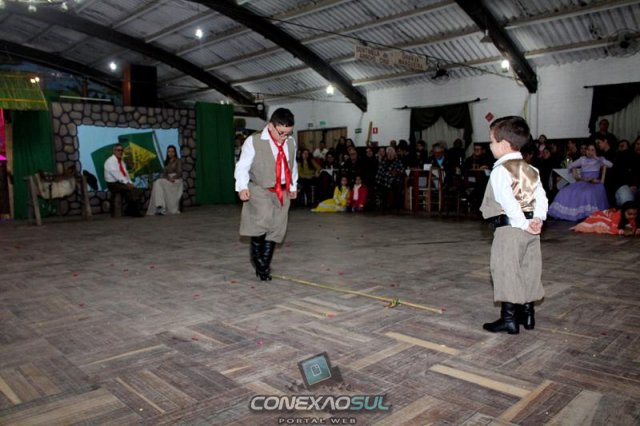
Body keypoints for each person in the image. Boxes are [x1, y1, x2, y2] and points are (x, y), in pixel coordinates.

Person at [480, 116, 548, 335]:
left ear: (503, 144)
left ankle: (508, 319)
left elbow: (508, 201)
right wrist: (537, 220)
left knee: (506, 269)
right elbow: (542, 198)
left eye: (491, 142)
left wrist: (522, 223)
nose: (490, 146)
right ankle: (527, 315)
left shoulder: (501, 170)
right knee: (529, 269)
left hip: (510, 229)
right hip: (531, 230)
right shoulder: (532, 169)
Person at [234, 108, 298, 281]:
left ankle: (264, 265)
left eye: (288, 133)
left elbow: (292, 165)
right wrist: (242, 187)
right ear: (271, 126)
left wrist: (293, 185)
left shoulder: (290, 142)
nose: (284, 137)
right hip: (260, 188)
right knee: (262, 221)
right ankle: (258, 260)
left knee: (277, 227)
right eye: (281, 133)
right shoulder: (254, 141)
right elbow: (242, 166)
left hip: (282, 190)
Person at [548, 142, 613, 221]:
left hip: (594, 183)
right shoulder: (582, 159)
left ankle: (586, 214)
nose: (590, 152)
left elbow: (610, 165)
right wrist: (575, 172)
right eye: (588, 150)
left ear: (596, 151)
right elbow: (570, 165)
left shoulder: (599, 159)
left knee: (586, 192)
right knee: (565, 191)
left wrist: (596, 158)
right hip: (583, 181)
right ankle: (567, 213)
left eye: (592, 150)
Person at [104, 144, 143, 217]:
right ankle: (133, 211)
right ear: (114, 151)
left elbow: (125, 174)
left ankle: (129, 209)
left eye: (121, 150)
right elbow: (117, 174)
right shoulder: (110, 161)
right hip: (113, 184)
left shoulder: (121, 161)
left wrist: (130, 182)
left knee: (135, 189)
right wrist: (127, 183)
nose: (120, 152)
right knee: (129, 189)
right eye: (118, 150)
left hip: (120, 182)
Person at [146, 145, 183, 215]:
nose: (171, 153)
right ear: (167, 153)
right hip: (168, 179)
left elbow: (179, 173)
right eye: (169, 151)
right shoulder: (166, 162)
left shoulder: (178, 161)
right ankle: (160, 206)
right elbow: (164, 174)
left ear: (175, 152)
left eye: (172, 151)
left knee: (158, 182)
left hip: (176, 180)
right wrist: (169, 178)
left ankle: (160, 206)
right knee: (157, 182)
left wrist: (173, 178)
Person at [570, 201, 639, 236]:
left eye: (635, 214)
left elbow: (633, 225)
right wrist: (622, 232)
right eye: (629, 214)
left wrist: (636, 230)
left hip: (611, 218)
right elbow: (613, 228)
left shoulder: (633, 218)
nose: (632, 216)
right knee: (602, 224)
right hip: (604, 216)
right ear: (623, 212)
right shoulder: (617, 215)